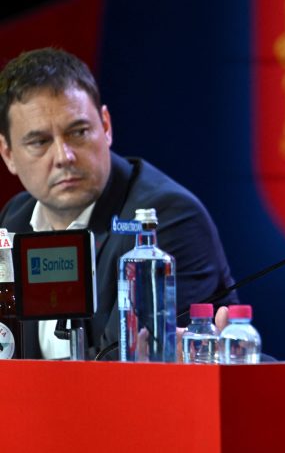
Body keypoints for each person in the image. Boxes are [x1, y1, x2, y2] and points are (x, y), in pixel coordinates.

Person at [0, 47, 237, 360]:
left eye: (79, 132)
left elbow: (123, 359)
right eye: (39, 142)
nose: (64, 157)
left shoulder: (164, 219)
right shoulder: (15, 219)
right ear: (9, 155)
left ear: (106, 126)